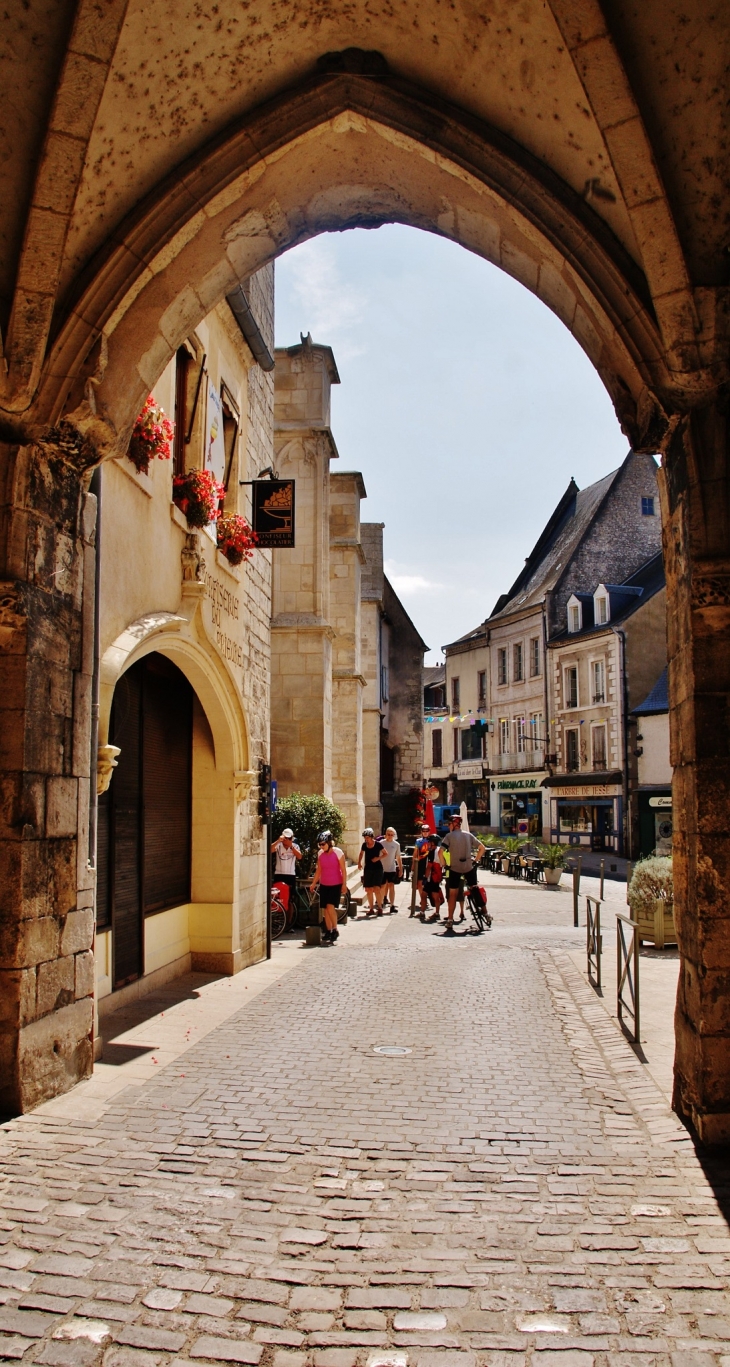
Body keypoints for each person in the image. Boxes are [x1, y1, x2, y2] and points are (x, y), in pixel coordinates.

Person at [438, 813, 486, 934]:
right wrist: (476, 860)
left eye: (449, 824)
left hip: (454, 868)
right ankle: (485, 913)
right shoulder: (468, 835)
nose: (449, 826)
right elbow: (482, 848)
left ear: (453, 824)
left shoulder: (449, 836)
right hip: (469, 867)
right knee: (475, 889)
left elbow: (440, 852)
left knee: (453, 894)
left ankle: (450, 919)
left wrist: (444, 864)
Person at [310, 831, 347, 943]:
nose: (321, 846)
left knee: (331, 907)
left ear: (329, 843)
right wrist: (313, 883)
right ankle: (329, 931)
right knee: (325, 908)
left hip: (335, 883)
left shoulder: (338, 852)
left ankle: (335, 929)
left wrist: (344, 884)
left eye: (323, 844)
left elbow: (343, 869)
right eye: (320, 844)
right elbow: (319, 870)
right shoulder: (320, 853)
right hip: (324, 883)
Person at [358, 828, 387, 915]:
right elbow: (361, 853)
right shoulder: (364, 845)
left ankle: (379, 907)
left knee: (377, 888)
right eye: (365, 838)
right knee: (368, 889)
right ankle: (371, 908)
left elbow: (386, 853)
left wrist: (377, 858)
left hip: (378, 868)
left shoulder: (378, 844)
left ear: (371, 837)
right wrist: (359, 863)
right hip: (368, 868)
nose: (366, 839)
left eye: (367, 837)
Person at [270, 827, 302, 898]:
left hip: (290, 875)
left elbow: (299, 856)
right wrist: (278, 841)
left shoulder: (295, 846)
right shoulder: (278, 845)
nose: (287, 840)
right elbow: (270, 850)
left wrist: (291, 847)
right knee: (278, 897)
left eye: (289, 838)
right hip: (279, 874)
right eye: (286, 838)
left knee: (290, 898)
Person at [422, 833, 445, 921]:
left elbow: (429, 866)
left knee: (425, 895)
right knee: (434, 895)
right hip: (437, 877)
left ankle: (425, 912)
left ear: (432, 843)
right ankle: (436, 912)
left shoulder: (432, 852)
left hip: (431, 877)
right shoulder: (440, 850)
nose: (428, 843)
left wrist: (425, 877)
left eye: (429, 842)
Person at [380, 827, 403, 913]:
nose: (389, 836)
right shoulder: (381, 843)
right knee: (382, 886)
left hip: (391, 868)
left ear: (394, 835)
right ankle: (381, 903)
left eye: (391, 835)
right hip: (382, 868)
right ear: (385, 834)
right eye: (388, 834)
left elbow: (398, 857)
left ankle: (392, 905)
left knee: (391, 886)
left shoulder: (396, 844)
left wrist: (401, 869)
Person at [412, 823, 433, 916]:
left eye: (426, 831)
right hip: (420, 863)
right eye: (423, 831)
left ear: (429, 831)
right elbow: (415, 852)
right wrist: (413, 864)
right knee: (419, 883)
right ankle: (422, 899)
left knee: (428, 883)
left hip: (429, 863)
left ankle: (426, 898)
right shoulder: (418, 841)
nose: (425, 833)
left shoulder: (432, 840)